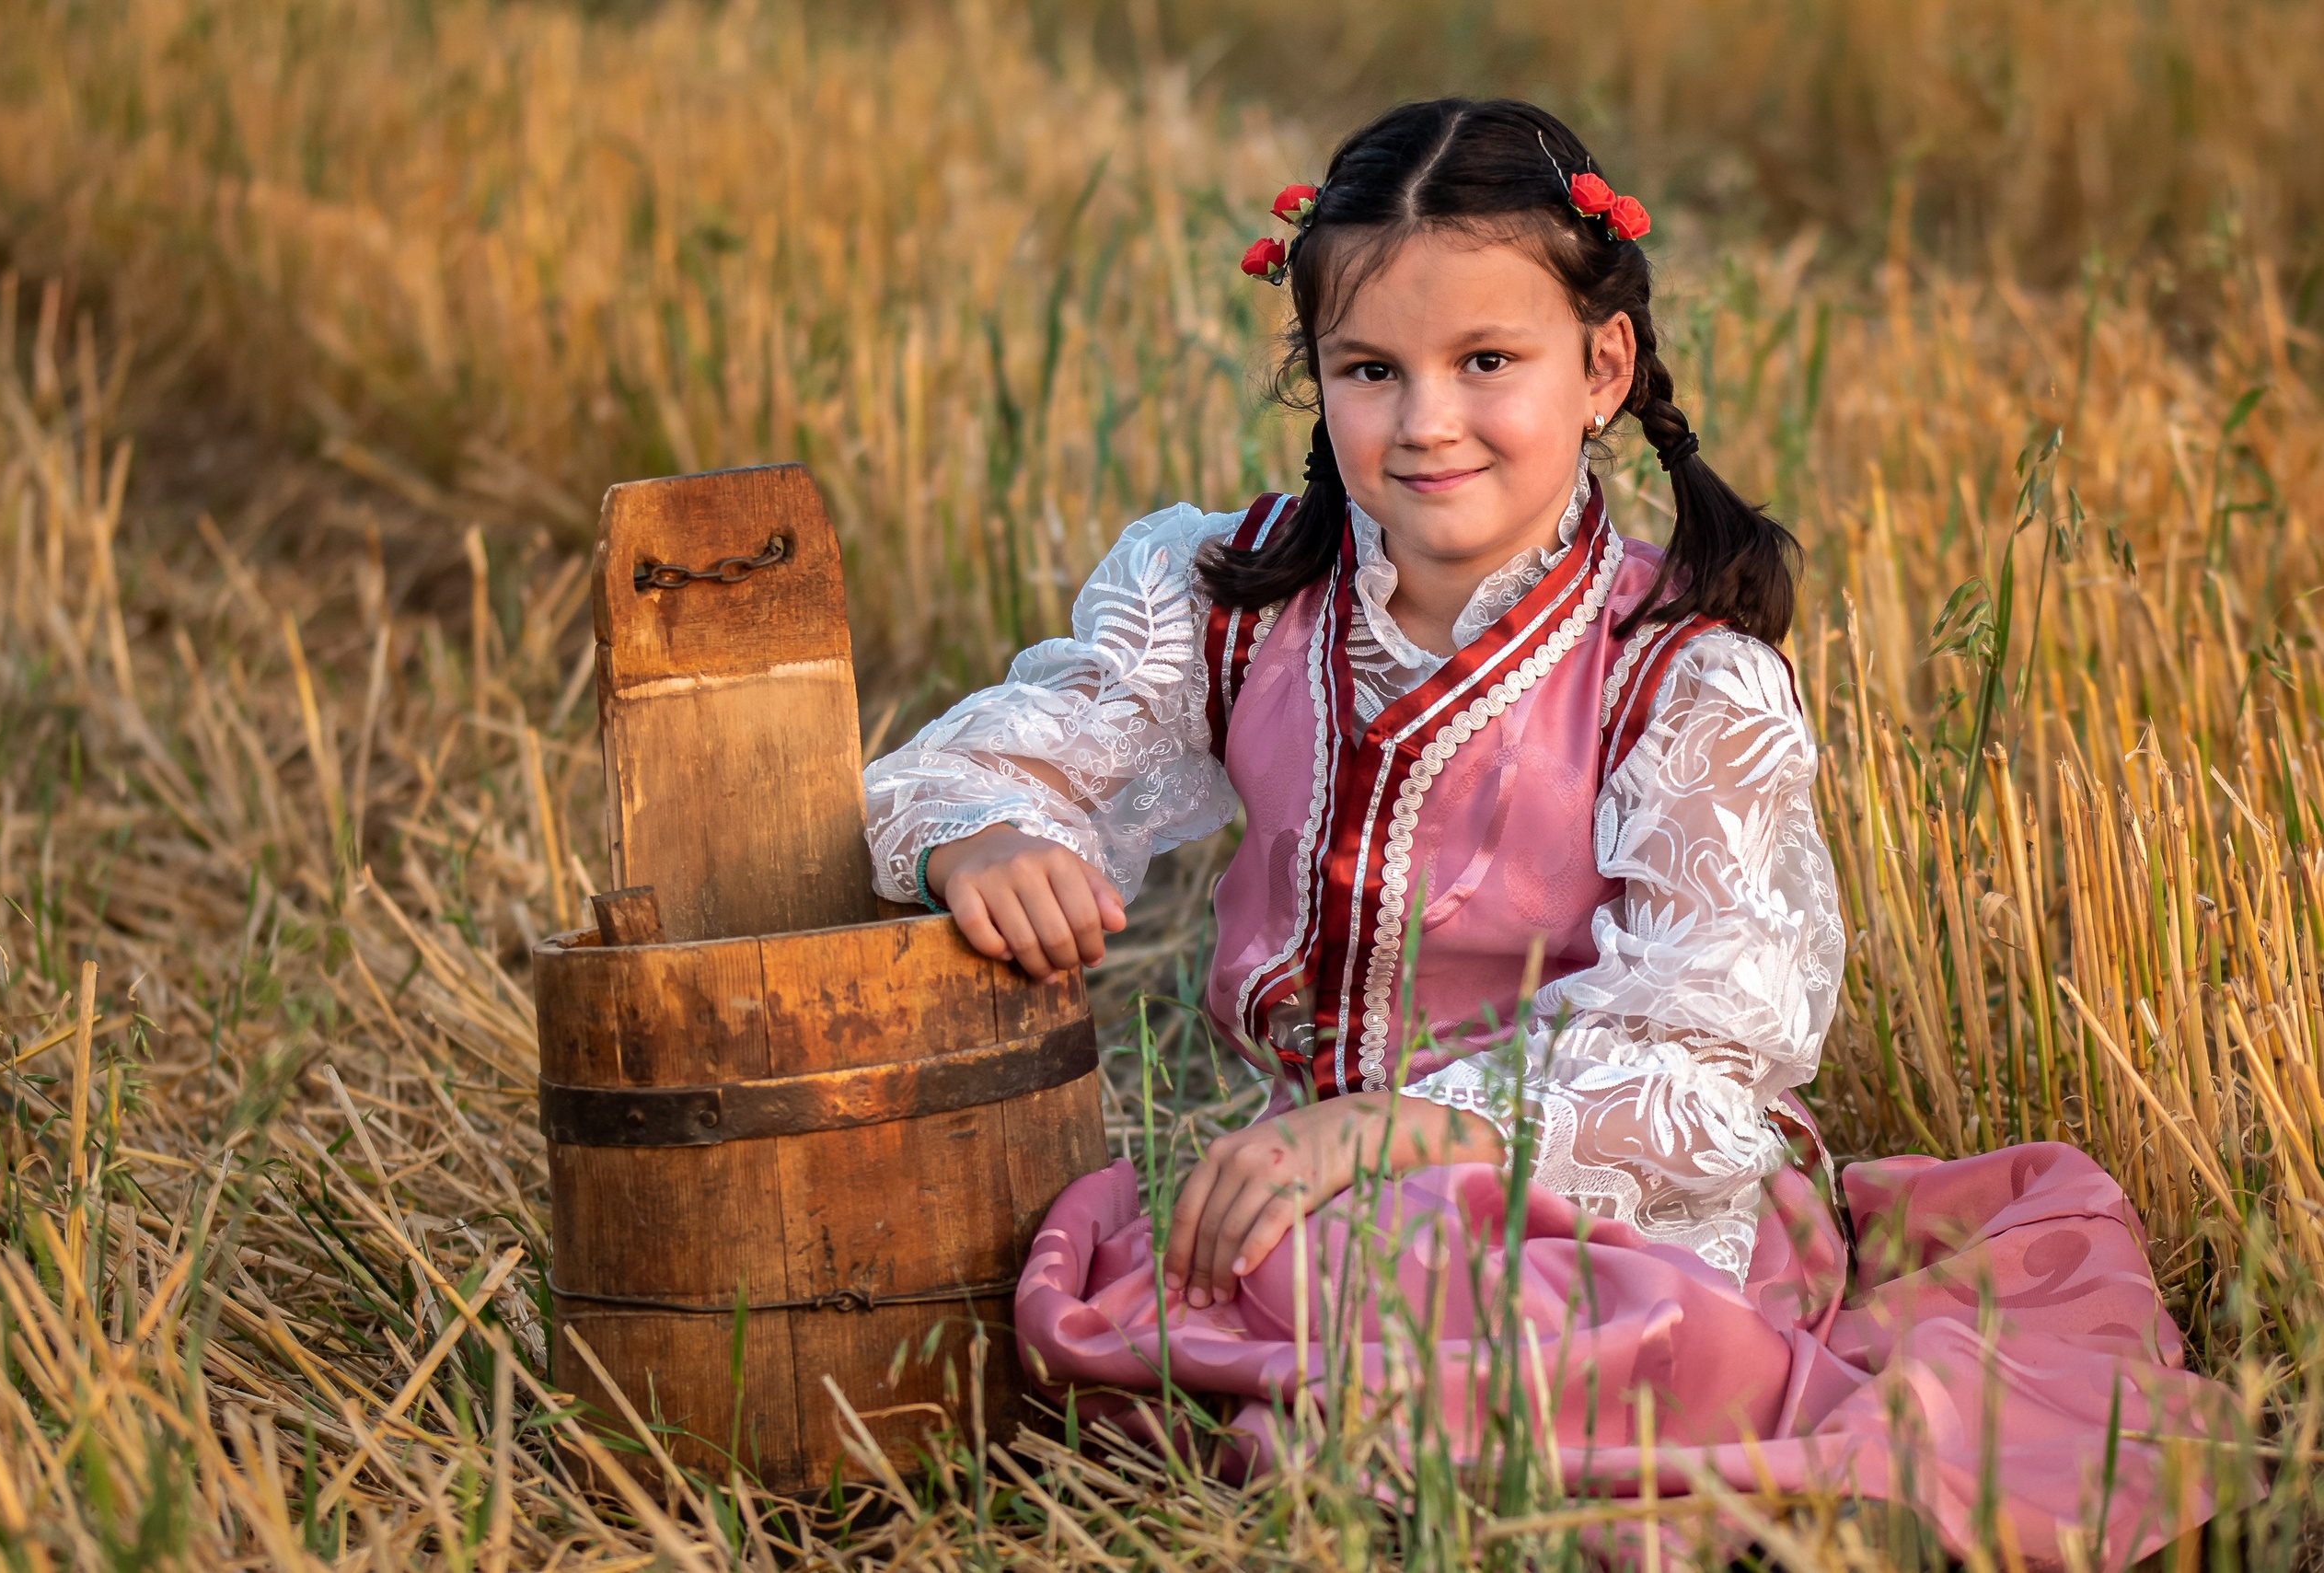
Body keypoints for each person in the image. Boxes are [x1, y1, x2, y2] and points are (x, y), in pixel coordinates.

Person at [863, 98, 2230, 1567]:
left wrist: (1407, 1128)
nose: (1425, 420)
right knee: (1222, 1258)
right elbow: (1002, 750)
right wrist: (986, 835)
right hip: (1320, 1190)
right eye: (1369, 369)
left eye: (1487, 364)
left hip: (1600, 1194)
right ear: (1313, 376)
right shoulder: (1239, 600)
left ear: (1602, 368)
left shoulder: (1678, 669)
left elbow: (1709, 1038)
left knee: (1444, 1304)